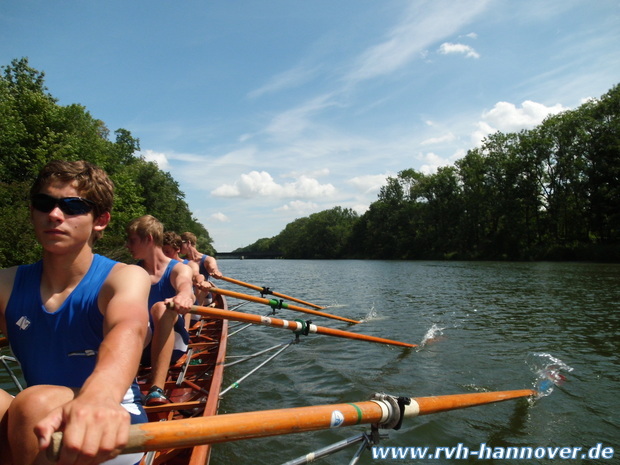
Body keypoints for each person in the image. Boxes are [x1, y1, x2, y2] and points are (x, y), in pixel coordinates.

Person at [0, 160, 151, 465]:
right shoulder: (5, 283)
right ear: (32, 211)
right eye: (44, 203)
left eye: (73, 207)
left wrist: (101, 395)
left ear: (100, 220)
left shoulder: (124, 278)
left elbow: (129, 330)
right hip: (40, 419)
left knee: (33, 402)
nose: (55, 215)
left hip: (114, 415)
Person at [125, 216, 195, 405]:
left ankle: (157, 389)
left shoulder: (178, 268)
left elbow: (185, 283)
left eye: (131, 240)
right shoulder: (130, 272)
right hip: (142, 346)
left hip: (174, 346)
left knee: (160, 308)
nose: (127, 246)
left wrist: (183, 295)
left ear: (148, 239)